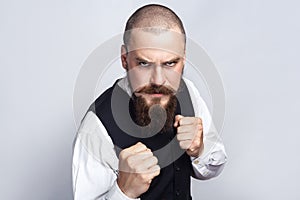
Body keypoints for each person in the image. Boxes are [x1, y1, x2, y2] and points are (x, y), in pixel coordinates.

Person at [72, 4, 227, 200]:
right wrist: (123, 192)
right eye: (144, 63)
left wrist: (200, 149)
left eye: (170, 63)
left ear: (184, 59)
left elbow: (215, 166)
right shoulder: (96, 128)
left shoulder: (188, 91)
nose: (158, 80)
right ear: (124, 59)